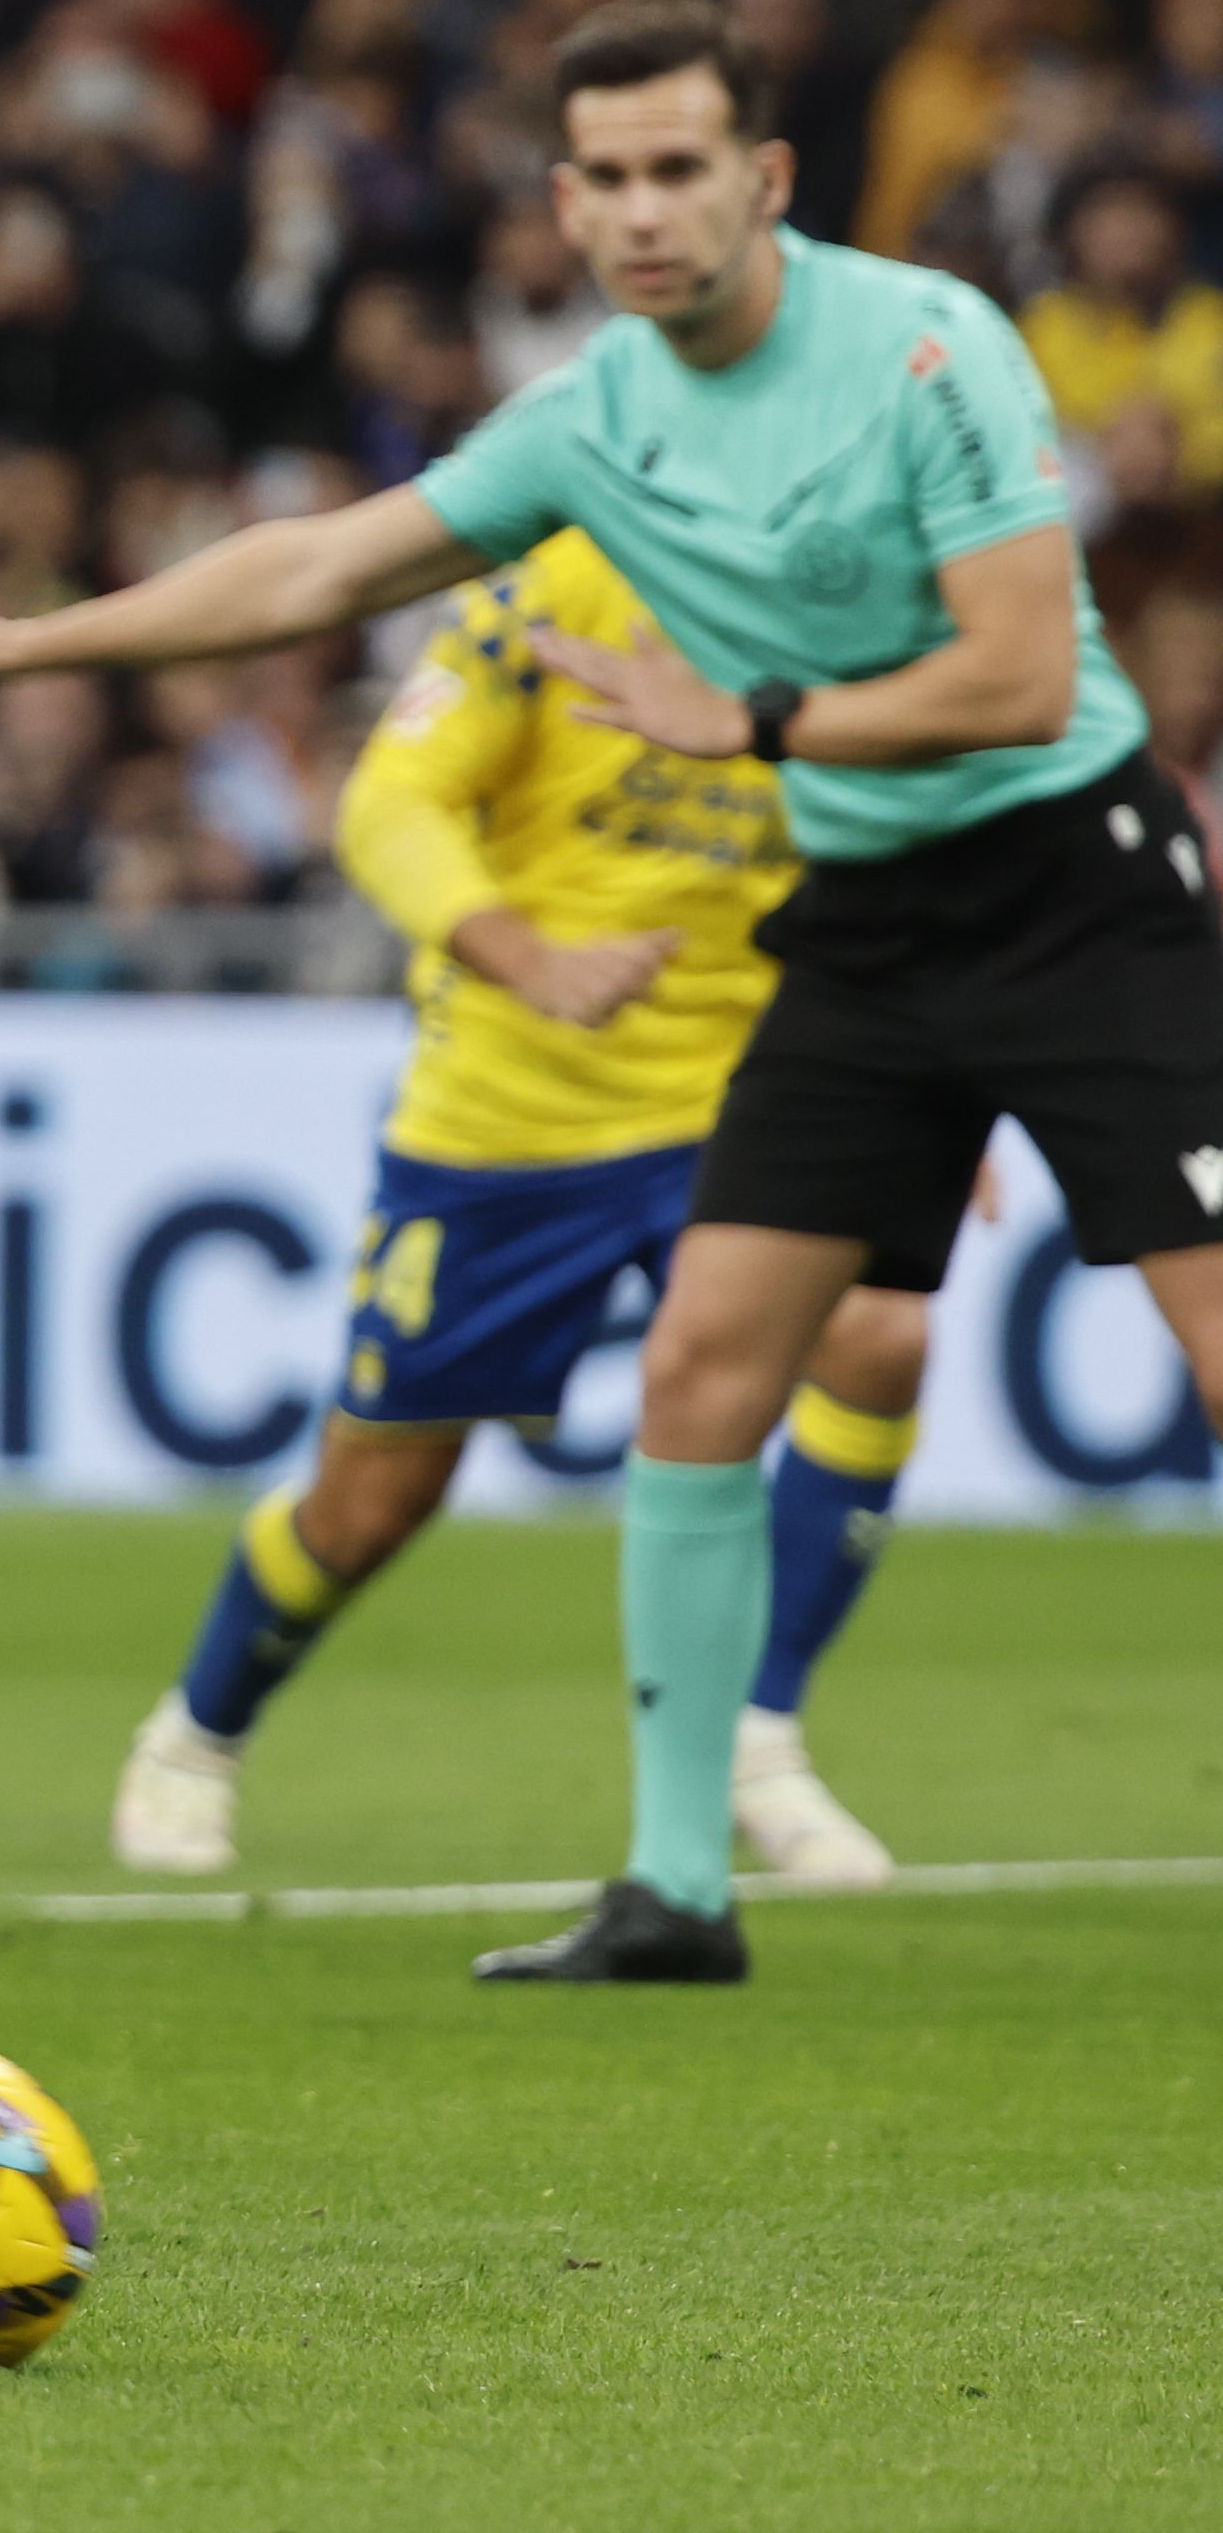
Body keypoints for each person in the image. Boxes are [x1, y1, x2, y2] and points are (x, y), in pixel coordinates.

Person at [0, 0, 1223, 1985]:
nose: (647, 213)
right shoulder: (595, 420)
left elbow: (1014, 672)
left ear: (763, 178)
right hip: (856, 925)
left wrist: (743, 716)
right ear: (565, 205)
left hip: (1072, 884)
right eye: (609, 179)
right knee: (698, 1375)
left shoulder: (923, 341)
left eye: (683, 170)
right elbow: (314, 567)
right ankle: (673, 1887)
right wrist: (17, 646)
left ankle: (727, 1786)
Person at [110, 529, 941, 1889]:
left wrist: (929, 1073)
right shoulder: (555, 585)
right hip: (513, 1110)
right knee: (372, 1499)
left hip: (750, 1098)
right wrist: (523, 954)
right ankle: (198, 1733)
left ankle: (756, 1733)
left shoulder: (853, 589)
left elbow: (900, 849)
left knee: (877, 1334)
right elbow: (388, 801)